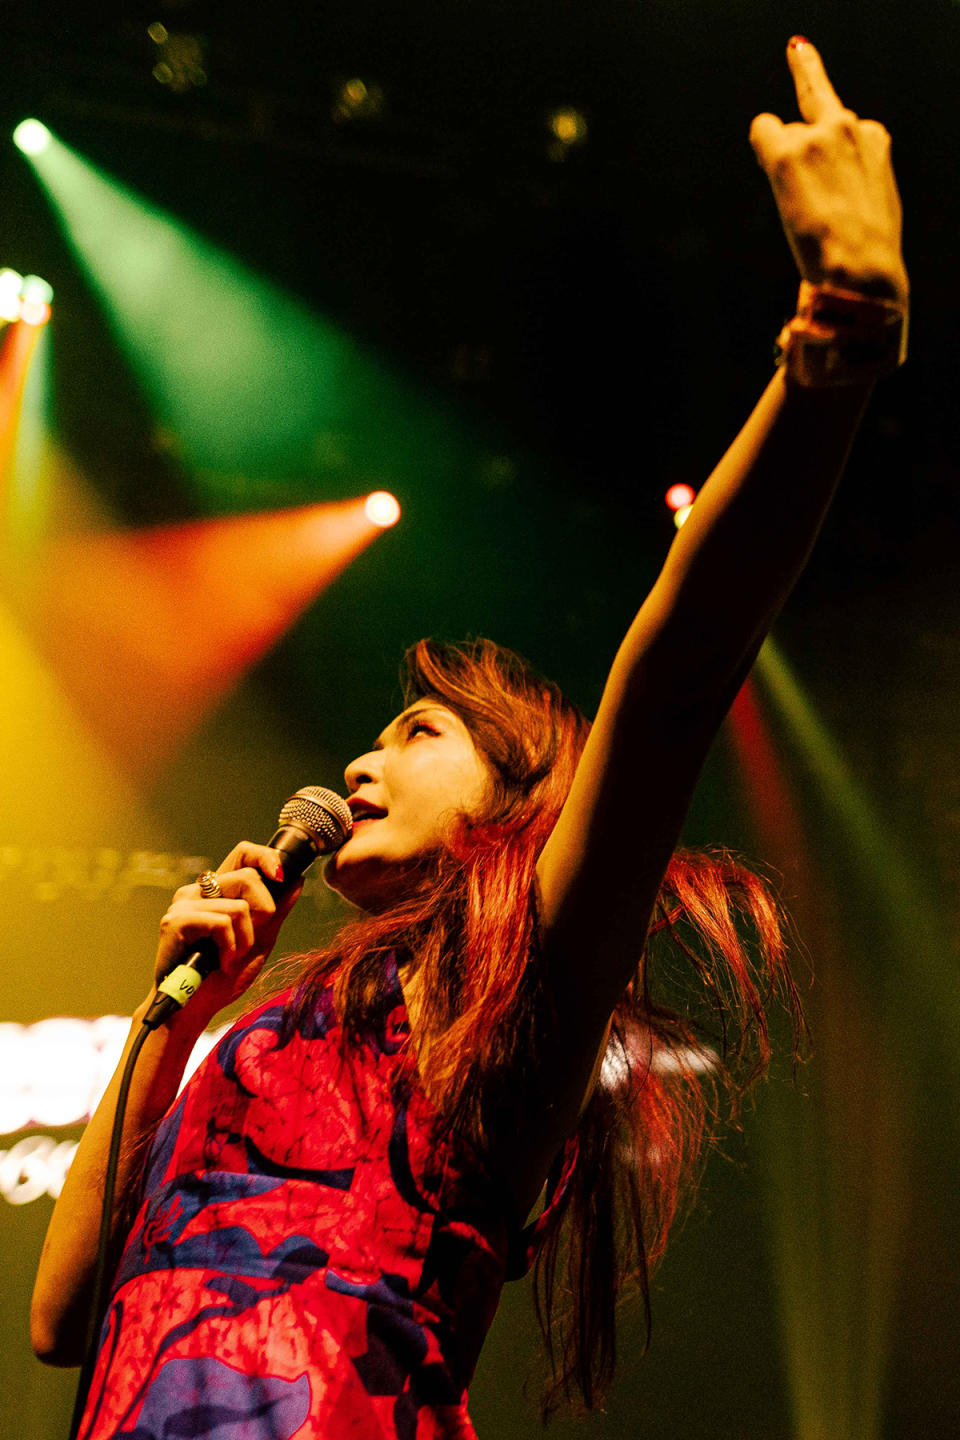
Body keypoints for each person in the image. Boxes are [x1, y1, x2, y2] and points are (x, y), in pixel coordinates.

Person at [31, 37, 908, 1439]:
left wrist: (834, 346)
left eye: (418, 731)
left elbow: (678, 671)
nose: (358, 764)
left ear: (516, 795)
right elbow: (65, 1321)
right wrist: (172, 1016)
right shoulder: (253, 1035)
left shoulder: (519, 1001)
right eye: (370, 737)